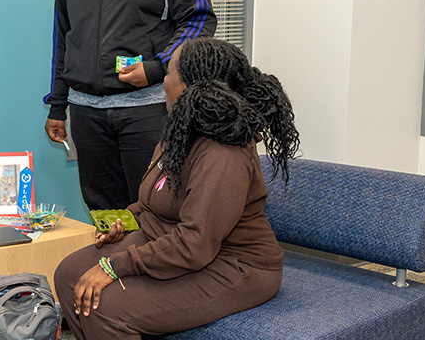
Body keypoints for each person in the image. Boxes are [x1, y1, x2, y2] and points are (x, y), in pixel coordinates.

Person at [53, 37, 300, 339]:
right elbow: (152, 201)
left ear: (189, 89)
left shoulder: (224, 153)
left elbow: (195, 244)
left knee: (108, 305)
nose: (163, 82)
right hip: (170, 242)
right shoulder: (181, 131)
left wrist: (115, 265)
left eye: (169, 73)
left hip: (233, 265)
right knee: (69, 274)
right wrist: (126, 222)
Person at [44, 0, 218, 211]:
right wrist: (57, 106)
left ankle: (150, 266)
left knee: (154, 206)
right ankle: (110, 265)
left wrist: (156, 69)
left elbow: (199, 19)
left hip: (147, 109)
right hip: (86, 114)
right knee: (105, 212)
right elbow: (62, 43)